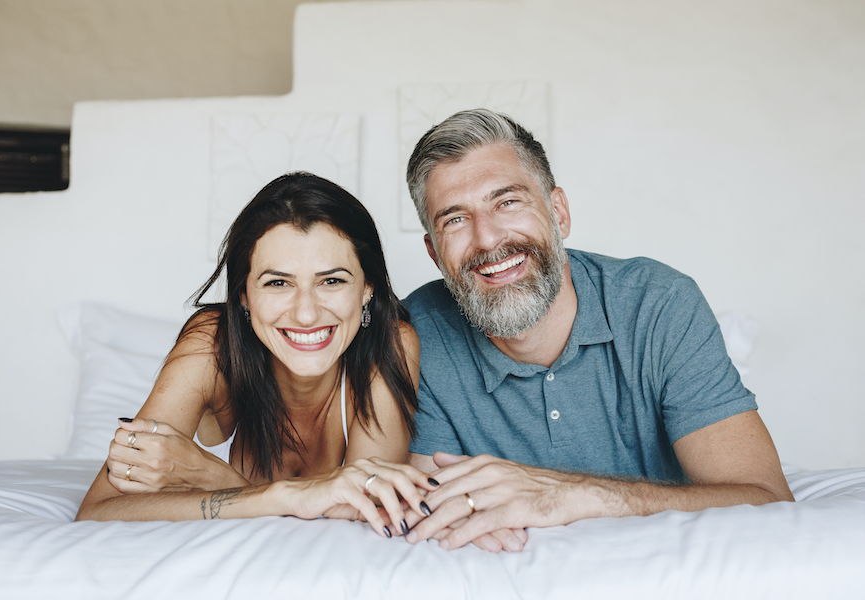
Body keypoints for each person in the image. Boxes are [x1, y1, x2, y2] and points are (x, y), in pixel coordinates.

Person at [401, 108, 794, 552]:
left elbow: (766, 502)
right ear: (435, 254)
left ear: (559, 213)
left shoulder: (659, 303)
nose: (488, 239)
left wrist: (568, 495)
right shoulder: (416, 334)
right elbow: (429, 509)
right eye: (455, 219)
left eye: (507, 202)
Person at [76, 172, 433, 539]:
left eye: (332, 281)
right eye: (278, 283)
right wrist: (284, 497)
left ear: (367, 289)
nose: (306, 314)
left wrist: (208, 475)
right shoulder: (210, 344)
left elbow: (368, 512)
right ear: (243, 294)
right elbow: (98, 511)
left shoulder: (390, 343)